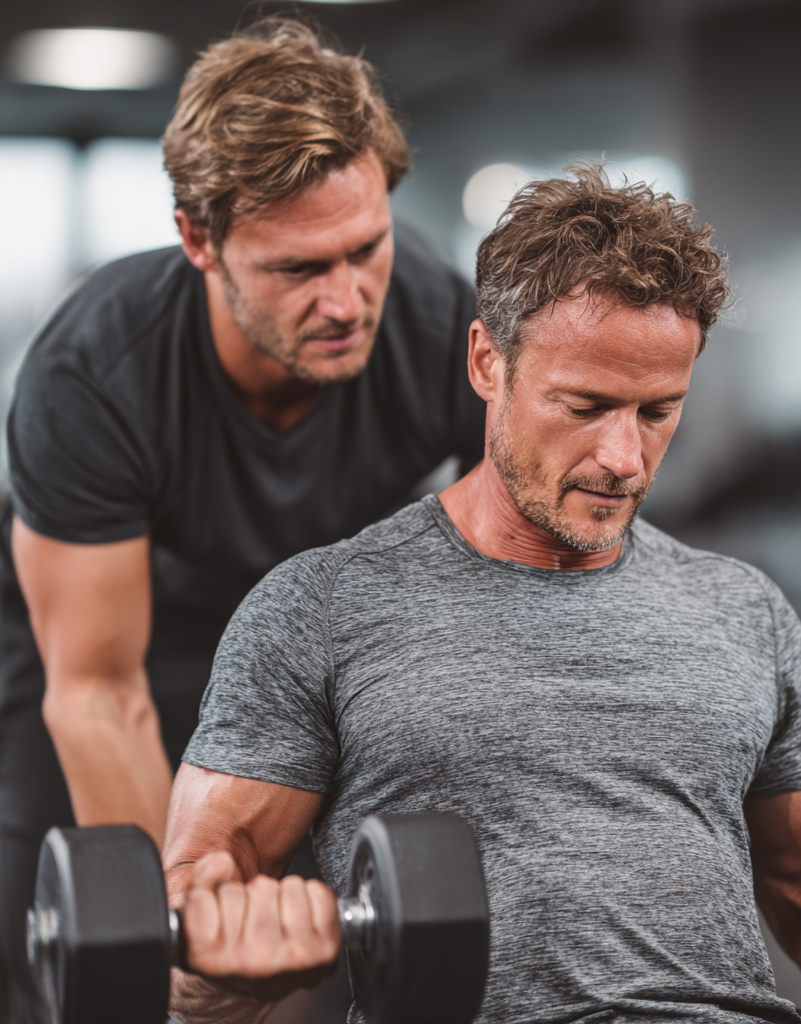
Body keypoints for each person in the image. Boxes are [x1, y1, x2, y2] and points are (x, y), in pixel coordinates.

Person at [164, 166, 801, 1024]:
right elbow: (186, 952)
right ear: (487, 362)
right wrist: (228, 956)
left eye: (657, 412)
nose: (623, 458)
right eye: (585, 405)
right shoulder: (320, 608)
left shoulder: (744, 610)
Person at [0, 18, 484, 1023]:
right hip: (118, 644)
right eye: (298, 268)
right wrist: (176, 951)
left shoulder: (439, 326)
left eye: (366, 249)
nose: (346, 301)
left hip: (307, 646)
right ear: (199, 241)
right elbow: (99, 694)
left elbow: (511, 596)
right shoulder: (95, 373)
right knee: (78, 946)